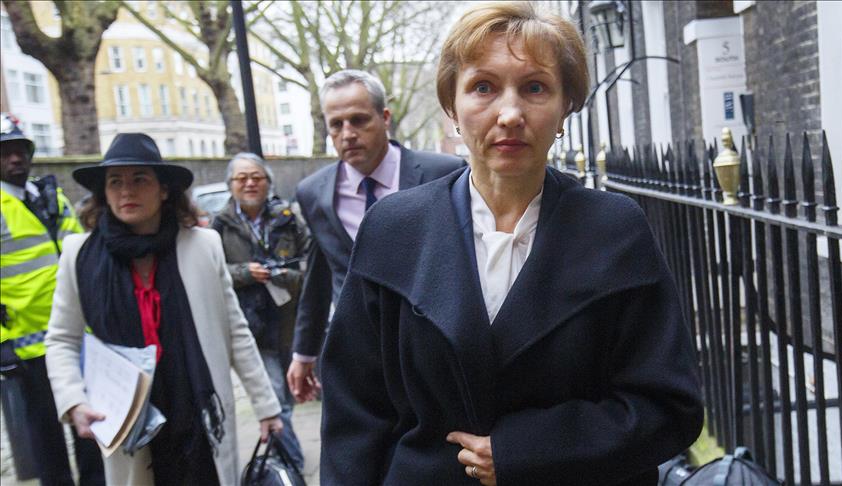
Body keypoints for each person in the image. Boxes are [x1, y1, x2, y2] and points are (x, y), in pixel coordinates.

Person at [319, 3, 704, 485]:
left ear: (565, 107)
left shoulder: (614, 229)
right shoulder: (394, 228)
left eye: (535, 88)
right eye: (483, 87)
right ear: (452, 105)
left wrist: (526, 451)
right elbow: (355, 414)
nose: (510, 114)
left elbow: (669, 408)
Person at [44, 133, 283, 485]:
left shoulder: (203, 246)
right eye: (115, 182)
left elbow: (235, 330)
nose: (126, 191)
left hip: (198, 417)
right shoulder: (79, 255)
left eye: (140, 179)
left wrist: (266, 407)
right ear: (104, 193)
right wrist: (73, 401)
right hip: (125, 420)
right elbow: (62, 340)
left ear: (164, 189)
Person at [286, 69, 465, 401]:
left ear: (384, 118)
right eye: (336, 125)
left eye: (358, 120)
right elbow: (320, 272)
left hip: (436, 353)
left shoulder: (444, 174)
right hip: (359, 357)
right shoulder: (313, 193)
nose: (348, 134)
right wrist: (304, 353)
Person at [0, 112, 105, 486]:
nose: (15, 159)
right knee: (45, 432)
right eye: (5, 153)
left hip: (77, 333)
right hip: (27, 344)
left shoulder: (51, 196)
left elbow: (81, 255)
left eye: (21, 151)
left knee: (88, 421)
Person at [211, 152, 307, 470]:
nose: (250, 183)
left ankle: (283, 453)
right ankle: (292, 462)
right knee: (275, 395)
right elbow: (213, 271)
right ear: (231, 185)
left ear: (268, 182)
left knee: (290, 394)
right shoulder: (219, 225)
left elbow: (309, 259)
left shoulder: (287, 217)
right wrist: (245, 273)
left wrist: (287, 275)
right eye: (242, 178)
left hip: (290, 321)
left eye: (256, 177)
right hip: (253, 325)